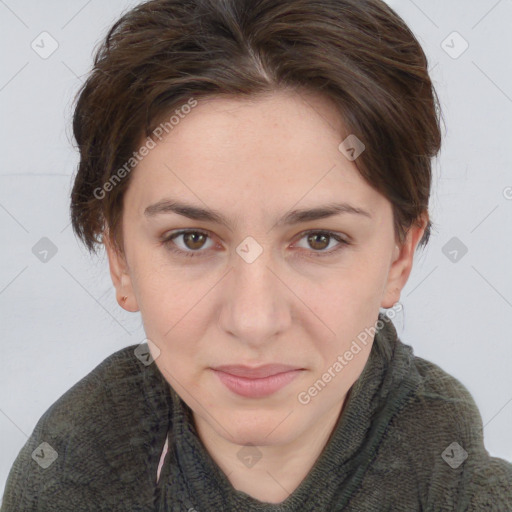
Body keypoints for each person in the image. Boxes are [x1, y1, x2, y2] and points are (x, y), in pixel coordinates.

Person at [2, 0, 511, 510]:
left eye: (319, 240)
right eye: (192, 239)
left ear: (399, 257)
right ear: (119, 258)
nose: (253, 321)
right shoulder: (58, 484)